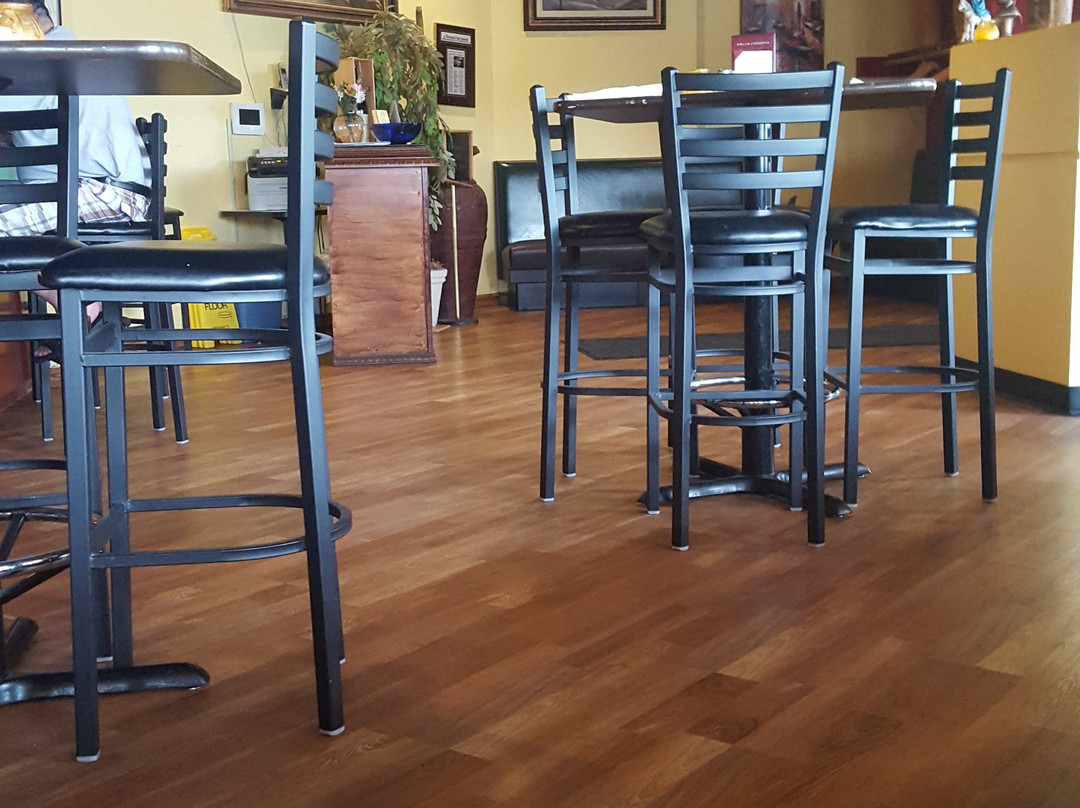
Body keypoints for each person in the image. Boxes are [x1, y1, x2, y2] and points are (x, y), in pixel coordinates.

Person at [0, 1, 152, 323]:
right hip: (93, 188)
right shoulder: (62, 54)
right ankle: (76, 307)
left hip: (101, 192)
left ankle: (80, 306)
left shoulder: (45, 60)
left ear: (17, 19)